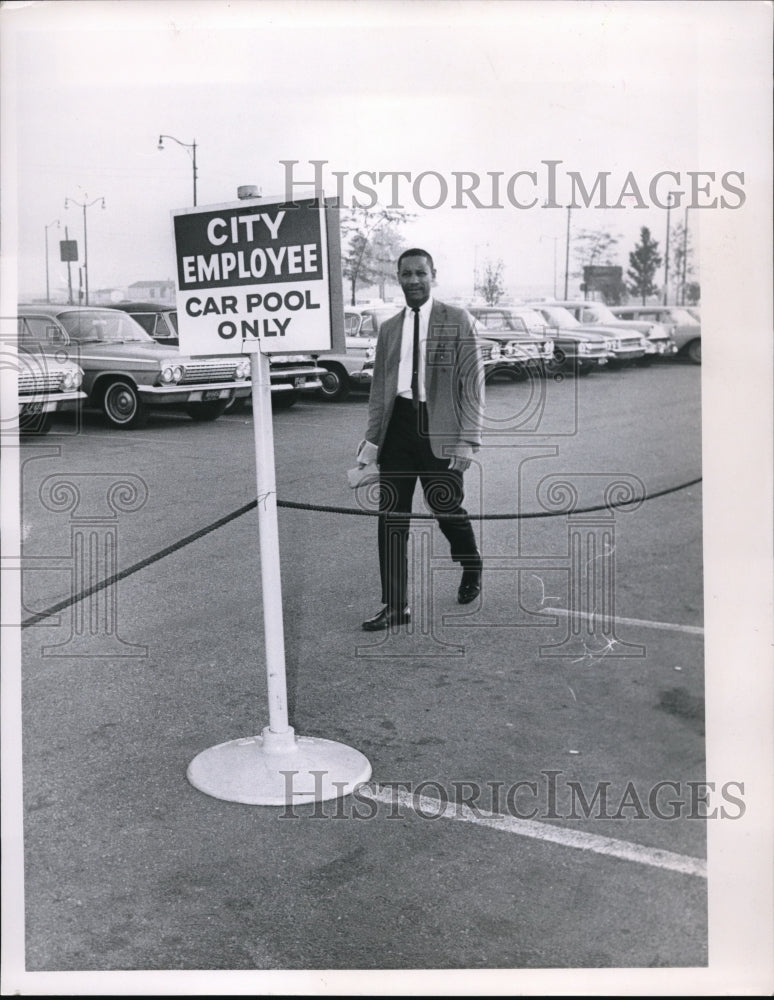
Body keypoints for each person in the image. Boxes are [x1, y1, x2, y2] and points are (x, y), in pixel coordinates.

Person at [357, 248, 485, 631]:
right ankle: (396, 605)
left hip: (441, 428)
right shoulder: (390, 328)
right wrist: (372, 440)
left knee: (447, 509)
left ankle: (471, 560)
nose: (413, 280)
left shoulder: (456, 319)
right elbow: (380, 388)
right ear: (398, 277)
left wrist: (468, 440)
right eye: (406, 274)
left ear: (433, 275)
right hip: (398, 427)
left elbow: (472, 384)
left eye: (420, 273)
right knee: (391, 519)